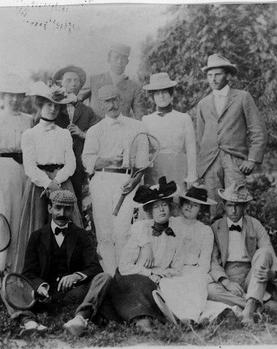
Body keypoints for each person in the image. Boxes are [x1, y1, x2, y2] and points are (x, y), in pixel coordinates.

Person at [5, 190, 112, 337]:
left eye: (67, 209)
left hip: (74, 294)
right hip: (44, 297)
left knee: (104, 277)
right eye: (58, 208)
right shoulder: (37, 237)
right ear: (50, 209)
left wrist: (76, 276)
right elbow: (28, 272)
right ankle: (30, 323)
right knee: (7, 286)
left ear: (72, 210)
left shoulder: (83, 236)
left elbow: (94, 268)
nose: (62, 213)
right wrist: (41, 286)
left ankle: (80, 319)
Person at [15, 82, 83, 273]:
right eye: (48, 105)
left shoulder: (64, 134)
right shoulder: (30, 134)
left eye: (56, 105)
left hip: (62, 182)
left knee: (65, 227)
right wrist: (47, 183)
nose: (52, 109)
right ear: (39, 105)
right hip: (39, 185)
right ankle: (38, 276)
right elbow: (29, 166)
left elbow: (71, 163)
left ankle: (67, 275)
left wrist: (57, 182)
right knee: (39, 229)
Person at [82, 84, 148, 275]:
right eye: (106, 102)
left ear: (121, 101)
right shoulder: (95, 131)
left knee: (123, 232)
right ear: (101, 106)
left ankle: (124, 274)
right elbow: (88, 160)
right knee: (104, 233)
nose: (111, 105)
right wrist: (107, 160)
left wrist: (133, 182)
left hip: (127, 182)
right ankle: (110, 276)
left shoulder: (138, 127)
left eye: (114, 100)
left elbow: (143, 164)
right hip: (101, 182)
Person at [108, 177, 183, 333]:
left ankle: (164, 318)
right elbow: (125, 266)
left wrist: (163, 275)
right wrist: (150, 273)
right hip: (132, 276)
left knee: (174, 287)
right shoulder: (141, 229)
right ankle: (142, 320)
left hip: (159, 278)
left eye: (164, 205)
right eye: (156, 207)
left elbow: (177, 267)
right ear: (149, 212)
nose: (162, 210)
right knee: (142, 284)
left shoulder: (176, 231)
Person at [196, 54, 268, 215]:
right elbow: (200, 138)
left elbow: (258, 130)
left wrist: (252, 159)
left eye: (218, 74)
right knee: (215, 208)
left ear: (228, 75)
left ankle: (239, 239)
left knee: (237, 205)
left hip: (234, 159)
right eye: (209, 75)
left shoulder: (242, 97)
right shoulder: (203, 103)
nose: (213, 79)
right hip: (211, 162)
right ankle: (217, 239)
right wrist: (200, 168)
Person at [147, 185, 227, 324]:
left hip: (194, 269)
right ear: (182, 204)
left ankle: (191, 317)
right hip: (171, 268)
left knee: (195, 283)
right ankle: (178, 316)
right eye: (187, 204)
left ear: (200, 209)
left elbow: (204, 261)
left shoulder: (204, 230)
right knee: (168, 284)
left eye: (194, 205)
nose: (189, 207)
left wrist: (198, 274)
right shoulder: (171, 222)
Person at [207, 183, 277, 324]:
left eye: (238, 205)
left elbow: (269, 251)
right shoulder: (215, 228)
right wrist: (226, 282)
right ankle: (256, 305)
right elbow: (213, 261)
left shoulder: (255, 224)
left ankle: (247, 310)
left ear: (245, 207)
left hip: (252, 276)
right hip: (228, 276)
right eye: (230, 205)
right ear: (223, 205)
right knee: (210, 290)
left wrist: (273, 274)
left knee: (264, 252)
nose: (234, 210)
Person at [0, 74, 33, 287]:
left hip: (25, 171)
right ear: (3, 97)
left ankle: (17, 272)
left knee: (21, 219)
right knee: (4, 217)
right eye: (10, 96)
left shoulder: (29, 119)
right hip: (3, 170)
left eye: (18, 96)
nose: (14, 100)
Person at [53, 65, 101, 208]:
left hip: (79, 165)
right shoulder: (53, 106)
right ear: (60, 84)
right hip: (55, 164)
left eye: (76, 81)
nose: (73, 84)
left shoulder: (86, 111)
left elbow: (102, 134)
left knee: (76, 203)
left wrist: (83, 134)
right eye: (68, 80)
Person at [141, 72, 198, 190]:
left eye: (165, 92)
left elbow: (191, 149)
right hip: (155, 169)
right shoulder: (146, 120)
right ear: (153, 97)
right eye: (157, 93)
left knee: (177, 201)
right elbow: (143, 152)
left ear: (171, 95)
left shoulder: (183, 118)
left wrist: (192, 176)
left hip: (178, 168)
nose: (161, 96)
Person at [82, 42, 147, 120]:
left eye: (123, 58)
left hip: (122, 130)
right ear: (109, 59)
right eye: (116, 57)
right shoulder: (93, 81)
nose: (119, 62)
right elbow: (75, 101)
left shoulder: (134, 87)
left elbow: (140, 117)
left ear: (127, 62)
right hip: (95, 129)